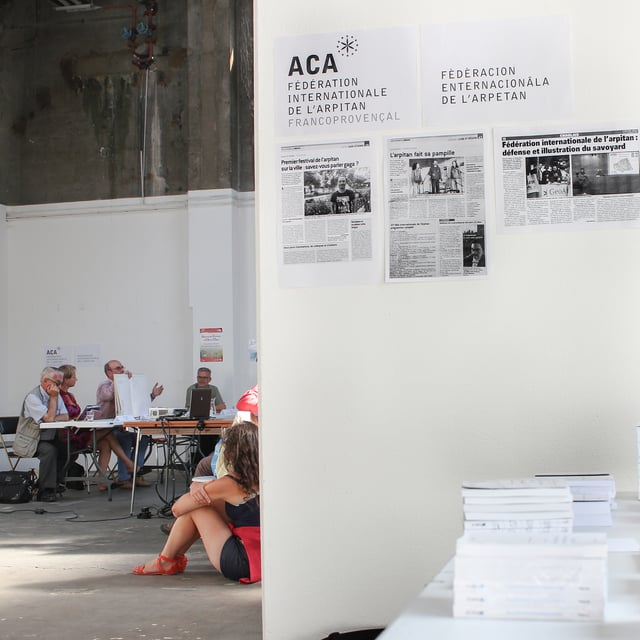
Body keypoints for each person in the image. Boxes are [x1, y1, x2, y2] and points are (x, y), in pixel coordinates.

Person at [133, 420, 260, 584]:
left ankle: (165, 561)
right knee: (207, 504)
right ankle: (169, 559)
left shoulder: (232, 483)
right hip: (264, 559)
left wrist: (195, 487)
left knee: (198, 508)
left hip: (242, 563)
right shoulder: (264, 478)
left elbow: (177, 509)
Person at [161, 384, 259, 536]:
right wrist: (197, 486)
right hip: (238, 451)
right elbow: (244, 402)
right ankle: (196, 493)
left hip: (246, 452)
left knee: (197, 505)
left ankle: (185, 517)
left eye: (205, 377)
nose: (202, 380)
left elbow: (177, 508)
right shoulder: (191, 389)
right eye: (200, 377)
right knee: (204, 464)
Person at [58, 364, 136, 491]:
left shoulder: (70, 396)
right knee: (106, 433)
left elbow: (76, 415)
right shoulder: (59, 397)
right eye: (74, 377)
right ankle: (128, 464)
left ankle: (102, 481)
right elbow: (108, 396)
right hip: (68, 435)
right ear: (66, 379)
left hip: (78, 430)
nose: (76, 379)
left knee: (105, 443)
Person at [95, 359, 163, 489]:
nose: (122, 370)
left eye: (122, 367)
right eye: (118, 368)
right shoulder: (104, 386)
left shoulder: (124, 384)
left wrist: (153, 395)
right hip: (106, 429)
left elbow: (136, 402)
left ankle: (135, 475)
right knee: (124, 439)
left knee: (143, 438)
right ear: (109, 372)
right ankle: (124, 478)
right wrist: (120, 381)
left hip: (121, 426)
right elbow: (109, 396)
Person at [20, 367, 69, 502]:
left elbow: (65, 416)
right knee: (49, 451)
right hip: (32, 440)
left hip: (50, 436)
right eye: (57, 383)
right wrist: (53, 399)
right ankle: (45, 491)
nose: (60, 386)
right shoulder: (33, 397)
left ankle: (53, 482)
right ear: (47, 382)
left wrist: (52, 416)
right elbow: (48, 419)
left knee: (70, 449)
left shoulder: (57, 395)